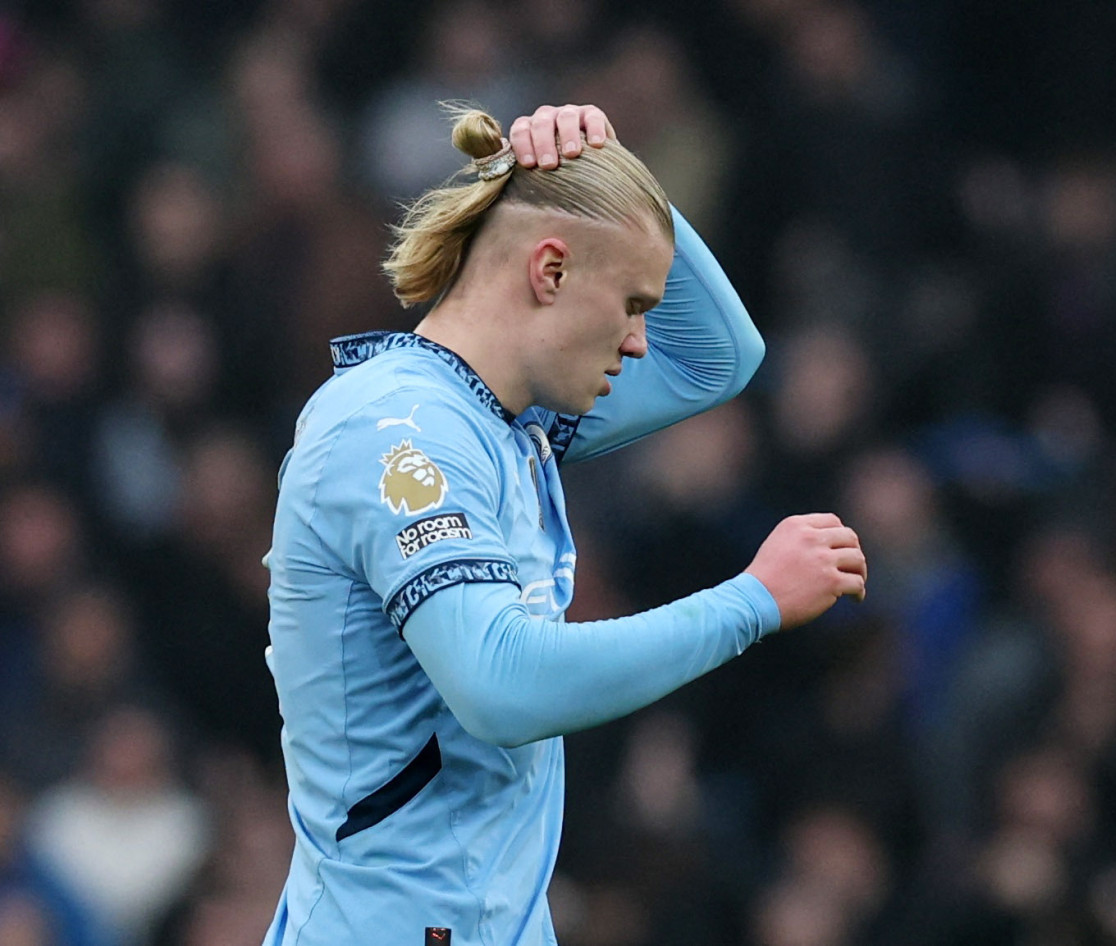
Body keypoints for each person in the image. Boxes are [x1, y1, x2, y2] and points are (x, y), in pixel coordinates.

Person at [261, 103, 867, 946]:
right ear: (549, 273)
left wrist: (614, 170)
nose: (642, 341)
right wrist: (751, 602)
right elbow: (500, 684)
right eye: (630, 302)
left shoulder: (507, 424)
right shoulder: (394, 428)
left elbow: (721, 356)